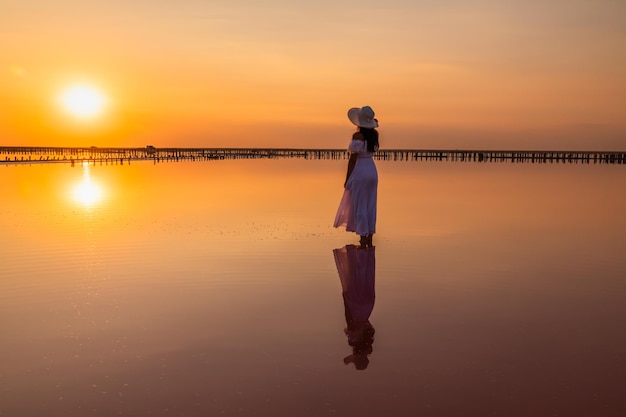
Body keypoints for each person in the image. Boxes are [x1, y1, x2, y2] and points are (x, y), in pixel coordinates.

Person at [333, 105, 380, 247]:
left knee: (359, 204)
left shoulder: (357, 136)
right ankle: (369, 236)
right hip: (372, 171)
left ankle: (362, 238)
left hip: (360, 171)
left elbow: (353, 159)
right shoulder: (374, 136)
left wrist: (347, 178)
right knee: (370, 204)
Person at [333, 244, 376, 370]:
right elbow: (349, 319)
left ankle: (363, 253)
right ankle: (355, 254)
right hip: (356, 306)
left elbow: (367, 327)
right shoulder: (354, 340)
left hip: (367, 307)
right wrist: (345, 297)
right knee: (353, 278)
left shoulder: (369, 337)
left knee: (363, 278)